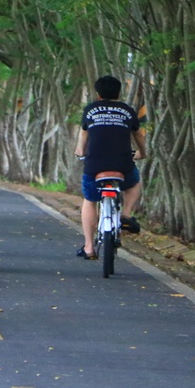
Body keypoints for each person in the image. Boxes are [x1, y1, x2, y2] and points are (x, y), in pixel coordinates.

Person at [73, 75, 147, 260]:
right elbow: (138, 135)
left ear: (98, 95)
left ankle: (89, 247)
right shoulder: (127, 111)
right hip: (122, 163)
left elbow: (84, 133)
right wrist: (142, 152)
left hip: (94, 164)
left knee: (90, 200)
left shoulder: (90, 110)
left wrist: (80, 150)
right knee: (134, 183)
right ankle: (126, 214)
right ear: (119, 93)